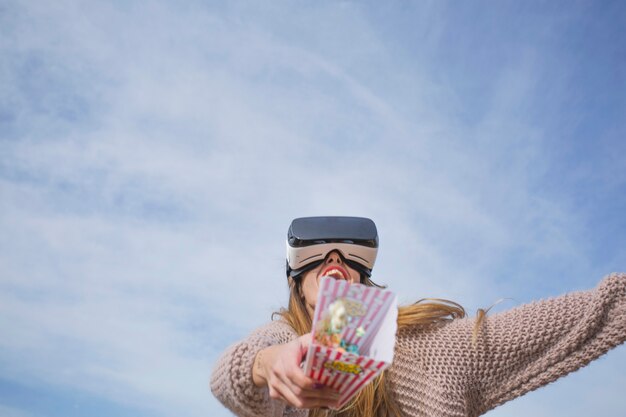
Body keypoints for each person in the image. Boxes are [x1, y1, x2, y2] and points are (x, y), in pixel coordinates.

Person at [211, 216, 626, 417]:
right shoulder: (282, 341)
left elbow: (586, 314)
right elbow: (230, 374)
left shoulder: (436, 352)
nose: (334, 256)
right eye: (317, 252)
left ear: (361, 276)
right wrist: (267, 366)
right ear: (296, 283)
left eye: (347, 252)